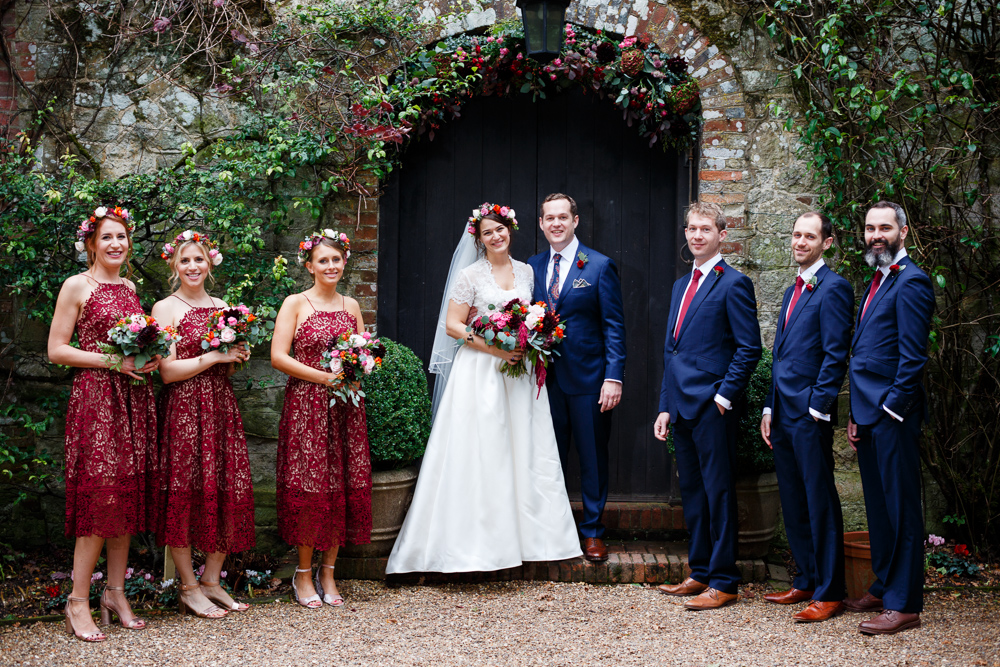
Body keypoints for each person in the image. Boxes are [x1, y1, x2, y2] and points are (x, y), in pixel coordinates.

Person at [386, 203, 582, 574]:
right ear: (479, 238)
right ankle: (476, 546)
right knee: (483, 449)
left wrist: (529, 340)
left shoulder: (526, 271)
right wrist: (496, 348)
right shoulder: (470, 276)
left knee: (523, 448)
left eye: (501, 229)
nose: (496, 236)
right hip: (480, 373)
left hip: (519, 374)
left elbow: (531, 316)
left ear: (511, 229)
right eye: (488, 232)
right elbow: (453, 326)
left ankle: (532, 540)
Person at [47, 206, 158, 641]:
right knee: (101, 499)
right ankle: (77, 601)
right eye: (107, 237)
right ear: (91, 243)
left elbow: (136, 344)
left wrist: (151, 356)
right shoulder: (77, 285)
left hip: (131, 398)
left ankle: (115, 593)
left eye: (122, 237)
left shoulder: (130, 286)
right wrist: (114, 361)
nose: (116, 244)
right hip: (96, 399)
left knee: (125, 498)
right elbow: (57, 350)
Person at [653, 201, 761, 610]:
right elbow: (672, 351)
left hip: (713, 408)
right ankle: (699, 573)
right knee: (693, 495)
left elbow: (749, 348)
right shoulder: (682, 285)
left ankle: (725, 581)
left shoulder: (733, 283)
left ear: (721, 234)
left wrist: (722, 397)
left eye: (705, 229)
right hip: (680, 408)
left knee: (719, 495)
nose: (697, 235)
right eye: (692, 229)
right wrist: (664, 405)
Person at [150, 230, 255, 619]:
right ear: (174, 266)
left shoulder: (222, 304)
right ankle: (188, 586)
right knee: (183, 491)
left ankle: (211, 579)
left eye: (199, 259)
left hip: (220, 407)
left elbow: (228, 359)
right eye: (184, 260)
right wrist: (215, 356)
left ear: (210, 263)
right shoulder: (165, 308)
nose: (192, 267)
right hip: (183, 408)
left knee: (228, 486)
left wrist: (236, 354)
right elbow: (167, 372)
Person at [845, 201, 934, 635]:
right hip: (869, 413)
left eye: (884, 228)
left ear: (902, 231)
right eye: (869, 228)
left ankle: (905, 603)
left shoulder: (912, 282)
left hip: (893, 415)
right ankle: (883, 585)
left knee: (901, 510)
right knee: (879, 509)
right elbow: (865, 352)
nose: (875, 235)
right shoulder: (877, 279)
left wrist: (889, 412)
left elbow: (913, 357)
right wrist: (857, 415)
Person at [759, 212, 852, 622]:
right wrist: (768, 405)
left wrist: (818, 407)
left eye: (809, 236)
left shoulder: (834, 288)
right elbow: (778, 356)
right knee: (793, 500)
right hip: (782, 412)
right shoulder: (791, 290)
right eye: (796, 234)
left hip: (809, 415)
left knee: (819, 500)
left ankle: (830, 592)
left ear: (826, 243)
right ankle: (806, 580)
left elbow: (836, 353)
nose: (800, 242)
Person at [271, 230, 372, 608]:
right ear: (310, 265)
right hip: (306, 407)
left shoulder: (352, 305)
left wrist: (359, 368)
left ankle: (329, 572)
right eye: (323, 260)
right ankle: (302, 573)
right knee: (311, 486)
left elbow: (364, 355)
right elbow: (280, 356)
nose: (331, 266)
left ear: (344, 262)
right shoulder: (295, 303)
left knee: (341, 483)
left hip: (345, 408)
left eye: (336, 259)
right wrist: (325, 377)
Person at [526, 193, 626, 562]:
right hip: (540, 382)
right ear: (541, 223)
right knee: (546, 457)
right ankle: (548, 531)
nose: (556, 223)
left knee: (592, 457)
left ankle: (594, 533)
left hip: (588, 381)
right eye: (549, 218)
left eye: (562, 217)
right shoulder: (532, 267)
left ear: (575, 221)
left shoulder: (599, 266)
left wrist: (613, 377)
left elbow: (614, 326)